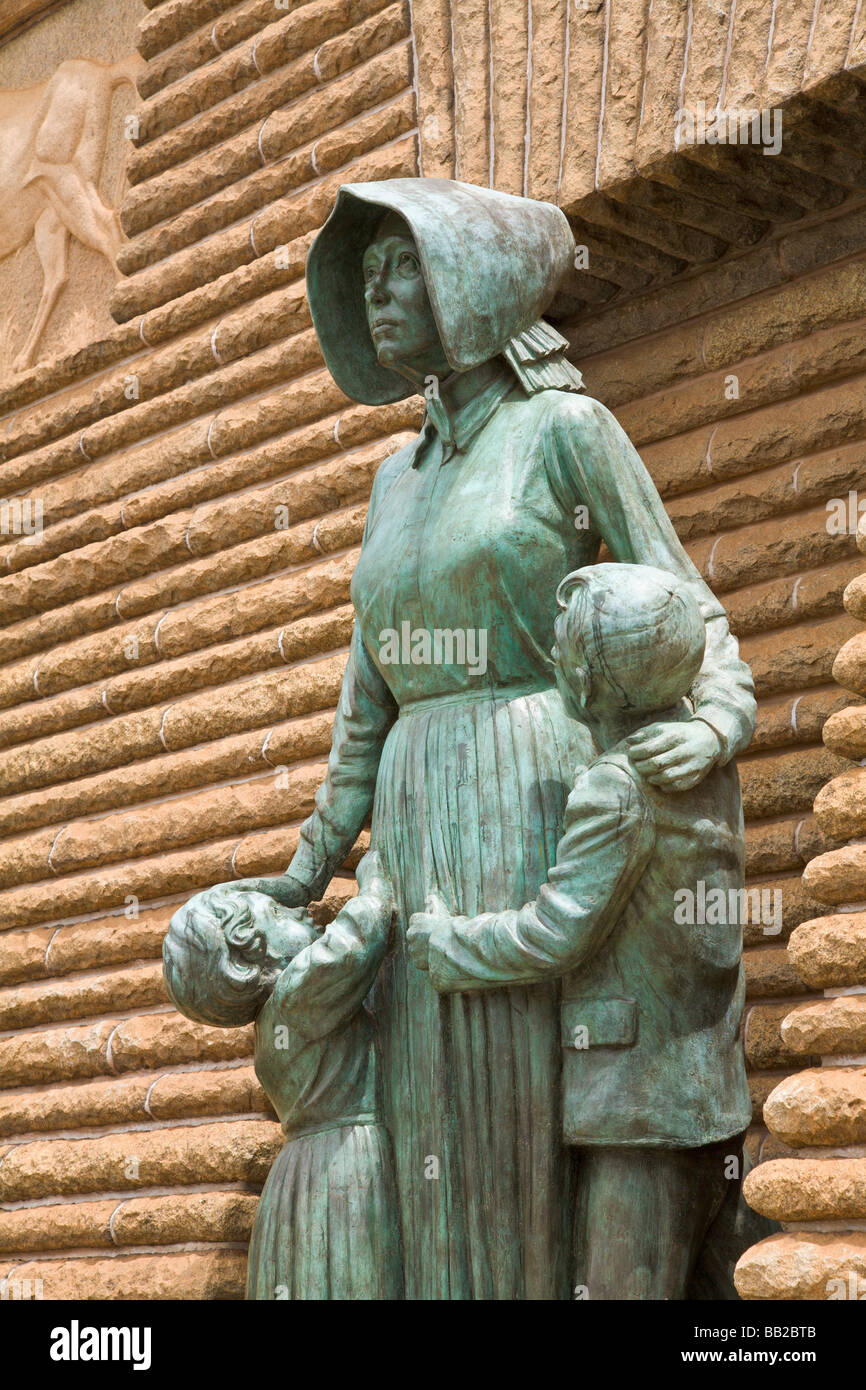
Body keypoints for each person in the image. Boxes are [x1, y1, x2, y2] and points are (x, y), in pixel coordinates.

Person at [223, 178, 757, 1299]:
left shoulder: (563, 430)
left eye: (401, 267)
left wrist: (714, 718)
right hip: (416, 820)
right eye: (362, 279)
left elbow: (680, 599)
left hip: (535, 789)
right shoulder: (390, 479)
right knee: (431, 1116)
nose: (376, 295)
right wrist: (314, 859)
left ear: (466, 277)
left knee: (526, 1103)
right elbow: (365, 697)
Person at [407, 563, 757, 1298]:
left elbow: (555, 932)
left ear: (588, 686)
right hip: (713, 1093)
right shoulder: (708, 764)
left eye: (562, 652)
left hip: (635, 1111)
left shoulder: (616, 785)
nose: (552, 661)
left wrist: (449, 944)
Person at [163, 852, 403, 1300]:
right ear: (253, 960)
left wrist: (291, 887)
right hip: (344, 1165)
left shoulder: (274, 1026)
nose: (297, 909)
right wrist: (376, 868)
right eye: (276, 913)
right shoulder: (297, 997)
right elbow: (365, 928)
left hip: (300, 1179)